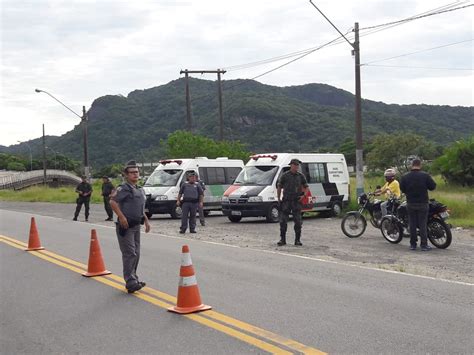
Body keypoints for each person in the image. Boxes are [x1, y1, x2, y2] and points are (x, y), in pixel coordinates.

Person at [110, 160, 151, 293]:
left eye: (137, 172)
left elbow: (140, 207)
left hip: (136, 226)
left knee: (136, 253)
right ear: (126, 175)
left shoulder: (140, 189)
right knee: (130, 254)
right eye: (132, 173)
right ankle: (130, 281)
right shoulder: (123, 188)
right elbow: (112, 202)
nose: (135, 174)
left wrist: (145, 220)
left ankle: (133, 278)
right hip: (125, 227)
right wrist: (121, 216)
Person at [400, 158, 436, 251]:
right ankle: (424, 245)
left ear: (412, 165)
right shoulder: (425, 175)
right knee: (422, 224)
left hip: (410, 203)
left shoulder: (405, 176)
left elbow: (402, 189)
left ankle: (413, 244)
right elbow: (432, 187)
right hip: (423, 203)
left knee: (412, 224)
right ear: (420, 165)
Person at [277, 159, 308, 246]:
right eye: (294, 165)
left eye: (297, 165)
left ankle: (297, 240)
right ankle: (282, 239)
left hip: (296, 201)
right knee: (283, 221)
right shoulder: (285, 175)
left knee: (298, 222)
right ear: (291, 165)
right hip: (286, 200)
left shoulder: (300, 176)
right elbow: (279, 186)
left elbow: (306, 187)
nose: (296, 167)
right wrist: (279, 198)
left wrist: (304, 196)